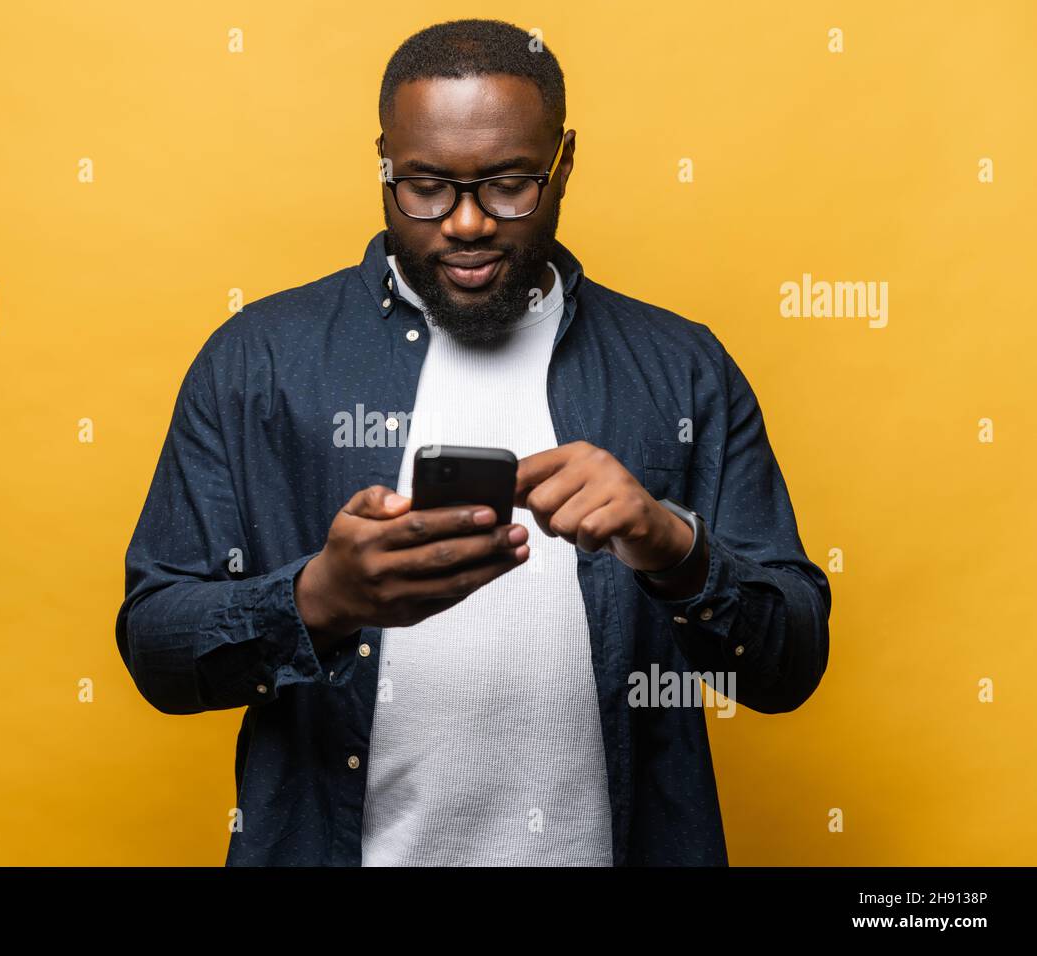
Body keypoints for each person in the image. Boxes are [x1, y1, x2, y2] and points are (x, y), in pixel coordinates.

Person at [116, 18, 831, 866]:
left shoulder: (681, 369)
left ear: (564, 162)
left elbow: (789, 666)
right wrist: (318, 600)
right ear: (383, 160)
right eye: (423, 186)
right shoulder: (260, 361)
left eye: (507, 186)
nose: (464, 224)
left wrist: (672, 546)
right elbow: (156, 646)